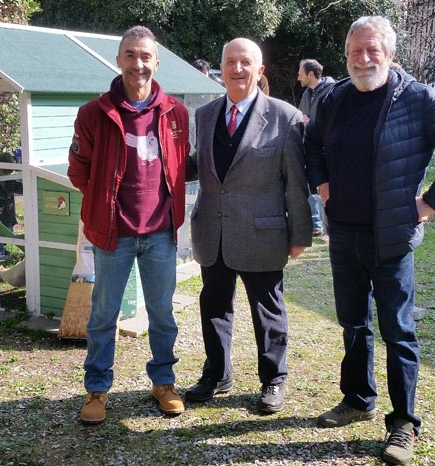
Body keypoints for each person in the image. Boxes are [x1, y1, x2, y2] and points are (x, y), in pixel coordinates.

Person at [305, 16, 435, 465]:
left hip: (392, 238)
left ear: (390, 54)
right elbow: (312, 145)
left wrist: (428, 204)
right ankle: (358, 399)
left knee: (398, 331)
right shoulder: (334, 97)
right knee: (353, 323)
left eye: (372, 50)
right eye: (355, 52)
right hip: (344, 232)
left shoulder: (418, 99)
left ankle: (403, 423)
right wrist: (321, 186)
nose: (363, 59)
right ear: (346, 56)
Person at [67, 25, 190, 424]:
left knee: (162, 312)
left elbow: (179, 169)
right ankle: (97, 390)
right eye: (130, 55)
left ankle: (164, 382)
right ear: (119, 60)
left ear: (157, 61)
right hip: (113, 234)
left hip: (159, 233)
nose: (138, 63)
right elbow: (78, 171)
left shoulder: (175, 112)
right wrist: (105, 205)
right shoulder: (94, 113)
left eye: (145, 56)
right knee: (104, 313)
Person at [185, 38, 312, 414]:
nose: (236, 69)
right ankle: (217, 374)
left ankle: (273, 378)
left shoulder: (284, 116)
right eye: (229, 62)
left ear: (260, 71)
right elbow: (197, 164)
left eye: (245, 63)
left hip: (263, 232)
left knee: (267, 312)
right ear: (219, 70)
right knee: (214, 306)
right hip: (213, 230)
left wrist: (300, 233)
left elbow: (295, 182)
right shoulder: (205, 115)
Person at [297, 59, 336, 237]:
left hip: (328, 150)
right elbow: (302, 116)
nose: (298, 77)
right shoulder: (306, 94)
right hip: (310, 148)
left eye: (300, 73)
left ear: (310, 74)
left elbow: (332, 121)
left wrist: (309, 122)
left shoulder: (333, 91)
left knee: (326, 187)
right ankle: (317, 224)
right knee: (312, 184)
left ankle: (329, 225)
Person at [0, 152, 23, 259]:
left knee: (9, 229)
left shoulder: (10, 181)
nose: (5, 176)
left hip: (8, 211)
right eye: (3, 173)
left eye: (8, 173)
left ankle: (2, 247)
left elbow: (20, 188)